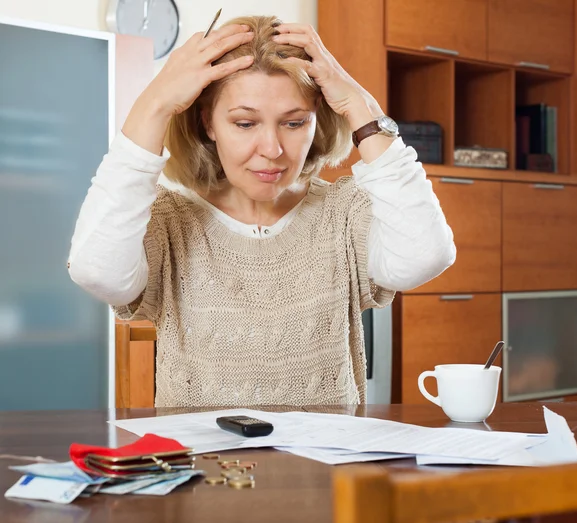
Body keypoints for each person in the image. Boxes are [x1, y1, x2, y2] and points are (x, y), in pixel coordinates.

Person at [68, 15, 456, 407]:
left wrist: (360, 105)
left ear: (316, 119)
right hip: (205, 466)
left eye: (293, 122)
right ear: (208, 123)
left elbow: (425, 256)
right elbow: (97, 271)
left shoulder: (345, 212)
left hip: (325, 466)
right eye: (245, 122)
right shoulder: (169, 222)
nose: (271, 148)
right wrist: (154, 104)